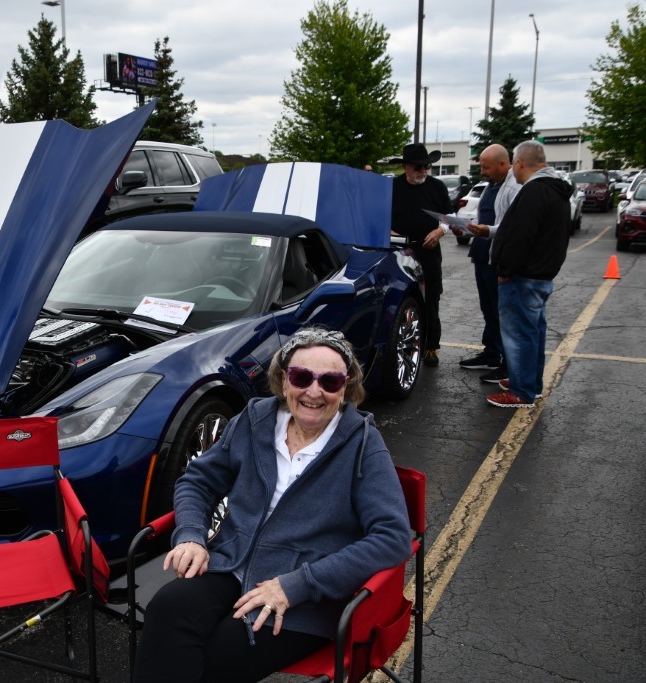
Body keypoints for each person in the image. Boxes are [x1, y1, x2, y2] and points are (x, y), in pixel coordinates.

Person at [133, 328, 412, 682]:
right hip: (231, 563)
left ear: (346, 388)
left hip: (304, 595)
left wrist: (298, 585)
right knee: (166, 609)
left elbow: (392, 537)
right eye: (302, 377)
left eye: (330, 381)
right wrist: (191, 534)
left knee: (214, 656)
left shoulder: (363, 445)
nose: (314, 391)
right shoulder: (254, 421)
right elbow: (198, 480)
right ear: (283, 380)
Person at [487, 140, 571, 408]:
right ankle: (529, 383)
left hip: (522, 277)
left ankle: (521, 392)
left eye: (514, 164)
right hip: (540, 275)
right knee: (533, 332)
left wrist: (505, 270)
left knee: (519, 334)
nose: (514, 170)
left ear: (520, 163)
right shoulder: (556, 191)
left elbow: (519, 236)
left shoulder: (534, 191)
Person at [459, 143, 521, 385]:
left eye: (486, 167)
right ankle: (492, 353)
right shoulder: (490, 186)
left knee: (502, 311)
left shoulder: (514, 187)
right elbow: (483, 216)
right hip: (482, 254)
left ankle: (507, 365)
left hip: (498, 257)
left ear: (503, 164)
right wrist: (466, 228)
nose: (482, 172)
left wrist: (487, 230)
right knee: (488, 308)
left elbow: (511, 226)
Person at [389, 143, 453, 367]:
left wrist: (439, 231)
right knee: (400, 298)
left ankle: (431, 346)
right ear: (405, 167)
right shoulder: (392, 187)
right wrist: (389, 231)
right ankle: (403, 345)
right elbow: (378, 215)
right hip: (399, 251)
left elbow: (448, 217)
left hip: (428, 250)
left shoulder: (437, 187)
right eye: (418, 167)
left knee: (431, 298)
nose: (423, 171)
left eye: (426, 166)